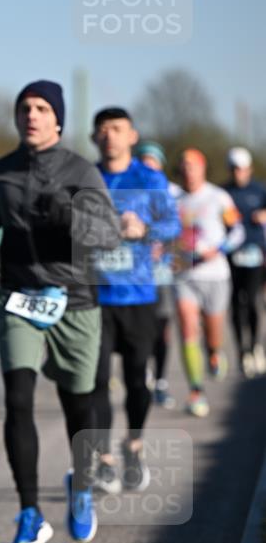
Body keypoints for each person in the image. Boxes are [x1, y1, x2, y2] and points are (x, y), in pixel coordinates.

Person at [0, 80, 122, 543]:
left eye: (40, 108)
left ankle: (81, 484)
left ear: (58, 118)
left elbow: (109, 233)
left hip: (75, 302)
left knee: (81, 407)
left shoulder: (81, 171)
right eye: (24, 108)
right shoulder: (1, 172)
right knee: (18, 399)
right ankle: (30, 512)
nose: (31, 115)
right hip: (19, 298)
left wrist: (69, 213)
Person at [91, 111, 181, 495]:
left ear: (132, 135)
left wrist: (145, 229)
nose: (110, 136)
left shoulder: (150, 179)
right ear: (95, 137)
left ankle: (134, 445)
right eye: (103, 130)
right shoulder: (85, 177)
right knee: (93, 381)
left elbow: (173, 225)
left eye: (117, 129)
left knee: (135, 381)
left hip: (139, 294)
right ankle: (105, 461)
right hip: (94, 296)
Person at [173, 148, 244, 417]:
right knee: (187, 326)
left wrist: (218, 249)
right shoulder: (173, 198)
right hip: (184, 275)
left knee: (213, 335)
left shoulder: (218, 197)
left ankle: (214, 353)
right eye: (184, 166)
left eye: (193, 165)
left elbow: (236, 230)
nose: (188, 170)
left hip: (215, 274)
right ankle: (196, 391)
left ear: (202, 168)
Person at [136, 141, 178, 409]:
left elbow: (182, 230)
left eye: (153, 162)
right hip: (136, 275)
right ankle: (144, 379)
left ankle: (160, 381)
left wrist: (162, 242)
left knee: (162, 329)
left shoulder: (172, 193)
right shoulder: (130, 192)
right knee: (141, 332)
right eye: (144, 161)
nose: (149, 166)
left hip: (162, 272)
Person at [223, 146, 266, 377]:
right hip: (232, 255)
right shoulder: (224, 192)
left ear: (248, 169)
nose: (238, 173)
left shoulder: (259, 190)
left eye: (241, 169)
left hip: (256, 254)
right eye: (234, 169)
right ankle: (242, 351)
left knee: (251, 301)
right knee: (235, 304)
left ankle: (255, 345)